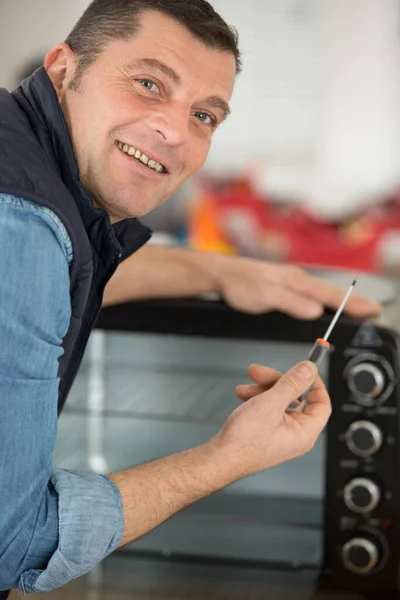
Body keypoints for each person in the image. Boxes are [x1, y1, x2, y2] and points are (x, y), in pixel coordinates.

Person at [0, 0, 379, 596]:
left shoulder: (18, 159)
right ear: (62, 68)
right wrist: (228, 457)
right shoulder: (22, 224)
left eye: (205, 115)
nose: (175, 132)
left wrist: (217, 273)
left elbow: (60, 276)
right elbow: (13, 545)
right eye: (149, 83)